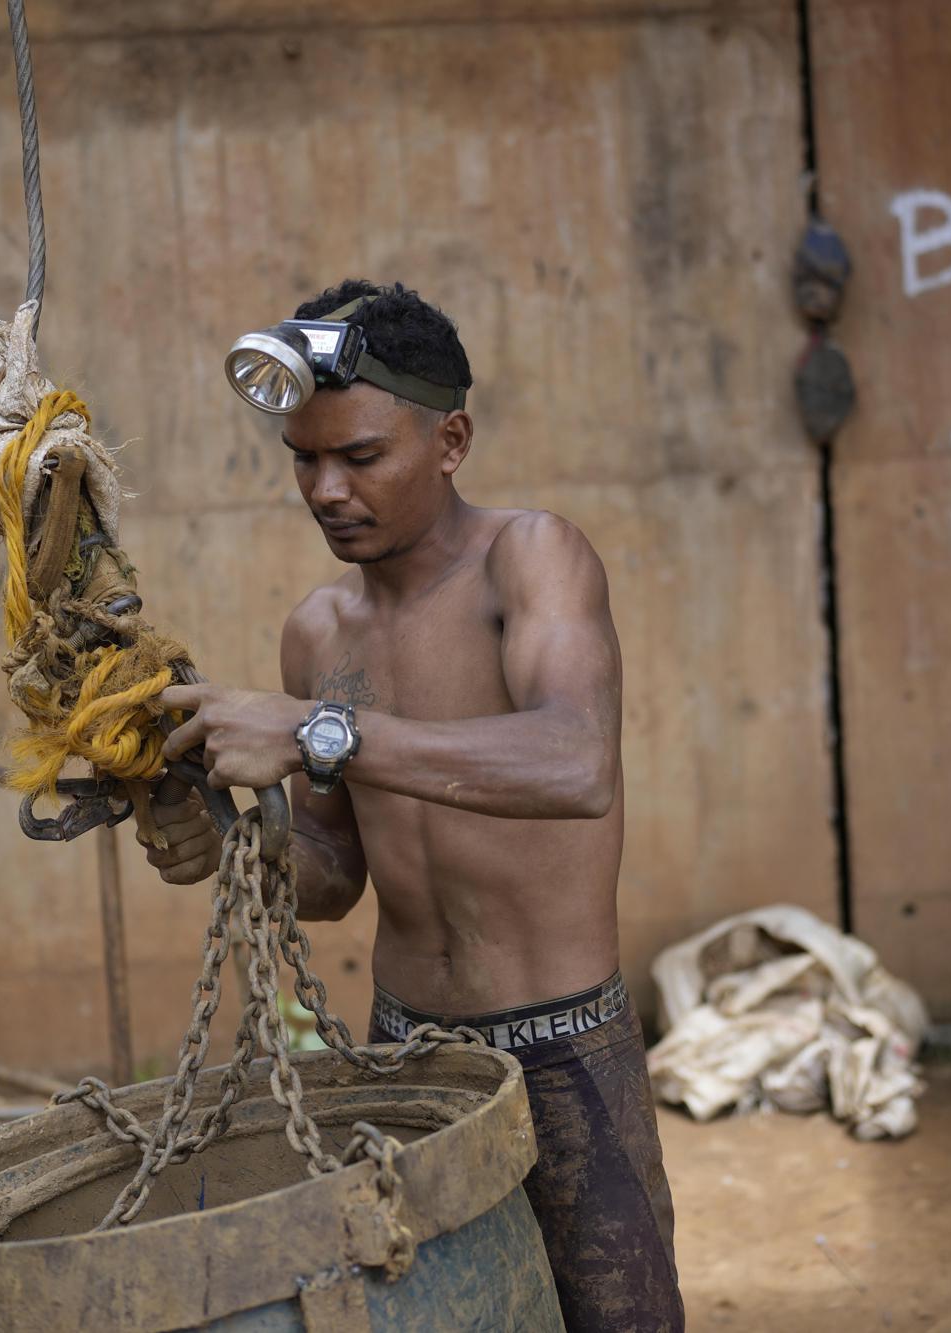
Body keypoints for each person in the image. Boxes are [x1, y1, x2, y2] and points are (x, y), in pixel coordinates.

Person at [146, 279, 684, 1332]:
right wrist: (224, 835)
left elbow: (575, 766)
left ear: (451, 440)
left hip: (565, 1051)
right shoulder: (316, 634)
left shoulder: (528, 559)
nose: (327, 489)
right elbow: (335, 878)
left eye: (361, 456)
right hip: (404, 1057)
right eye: (304, 458)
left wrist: (309, 731)